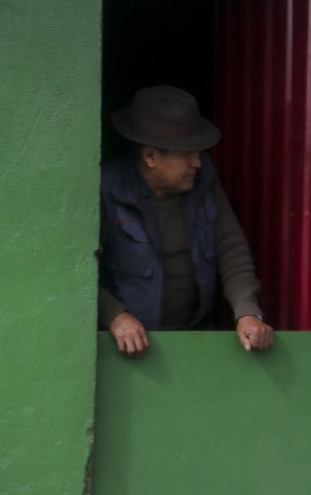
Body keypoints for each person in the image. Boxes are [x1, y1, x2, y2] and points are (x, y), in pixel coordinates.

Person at [99, 85, 274, 358]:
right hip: (127, 345)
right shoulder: (108, 188)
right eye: (187, 154)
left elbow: (231, 246)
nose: (198, 163)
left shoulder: (203, 180)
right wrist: (114, 315)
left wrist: (247, 311)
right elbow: (79, 268)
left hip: (195, 334)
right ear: (150, 157)